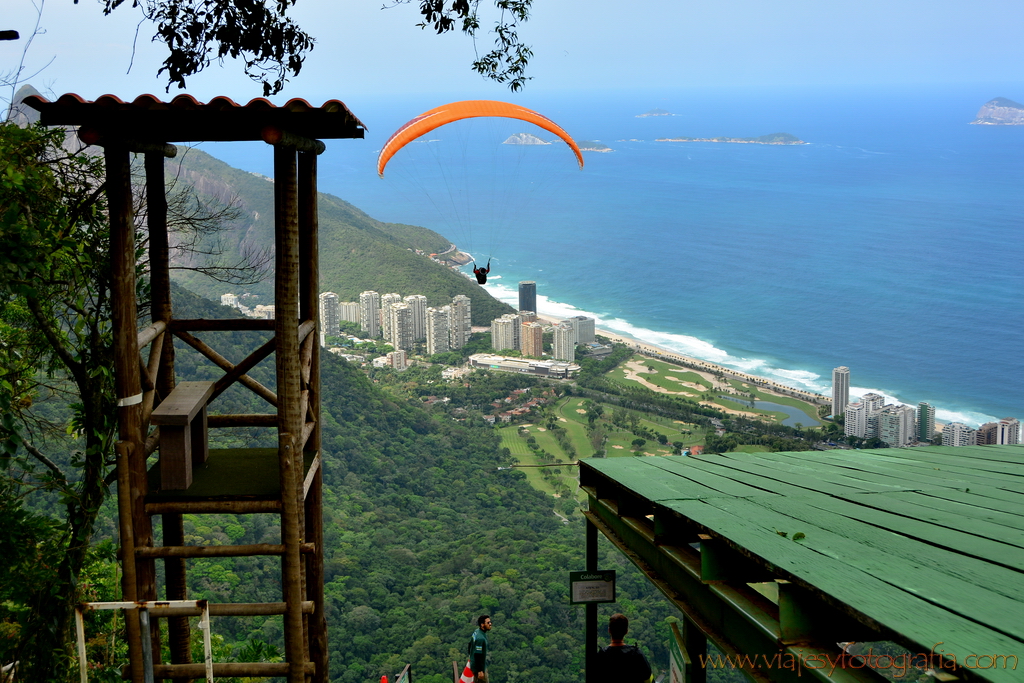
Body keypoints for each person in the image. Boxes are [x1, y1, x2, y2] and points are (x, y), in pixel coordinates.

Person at [594, 613, 652, 683]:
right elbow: (647, 675)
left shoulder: (602, 655)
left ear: (609, 630)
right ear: (626, 631)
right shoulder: (636, 654)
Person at [468, 614, 492, 682]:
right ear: (482, 624)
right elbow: (478, 654)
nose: (490, 624)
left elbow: (470, 644)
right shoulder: (480, 638)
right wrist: (480, 670)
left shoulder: (476, 631)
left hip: (476, 665)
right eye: (488, 623)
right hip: (478, 668)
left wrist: (471, 656)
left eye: (490, 622)